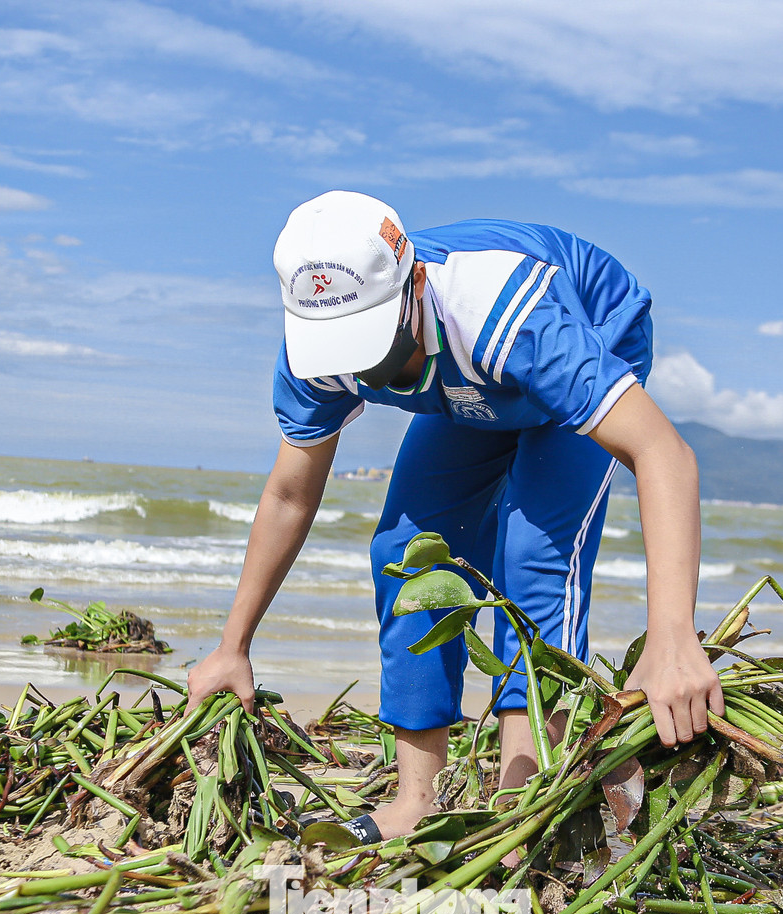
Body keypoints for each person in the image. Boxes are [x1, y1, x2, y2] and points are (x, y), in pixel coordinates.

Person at [187, 190, 723, 843]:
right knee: (408, 548)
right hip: (471, 381)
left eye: (372, 345)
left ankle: (526, 789)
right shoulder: (316, 345)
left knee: (534, 553)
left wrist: (672, 634)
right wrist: (232, 644)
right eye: (342, 351)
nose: (358, 368)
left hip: (587, 324)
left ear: (414, 284)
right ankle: (420, 797)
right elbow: (289, 495)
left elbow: (663, 452)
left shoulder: (509, 318)